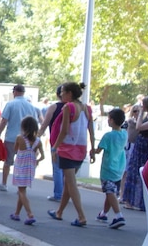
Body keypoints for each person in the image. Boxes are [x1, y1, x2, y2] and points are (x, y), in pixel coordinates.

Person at [48, 82, 94, 227]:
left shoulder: (69, 107)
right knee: (68, 182)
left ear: (69, 93)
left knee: (71, 183)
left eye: (62, 92)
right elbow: (90, 129)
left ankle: (81, 216)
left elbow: (64, 131)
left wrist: (55, 147)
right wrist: (92, 148)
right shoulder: (87, 108)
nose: (61, 94)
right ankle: (59, 212)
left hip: (68, 149)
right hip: (81, 149)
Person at [0, 84, 39, 192]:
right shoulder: (31, 106)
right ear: (23, 93)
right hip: (27, 138)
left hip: (12, 137)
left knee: (8, 161)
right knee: (23, 162)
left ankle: (4, 183)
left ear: (14, 92)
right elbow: (34, 122)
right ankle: (21, 186)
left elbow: (4, 121)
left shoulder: (10, 104)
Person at [92, 108, 127, 229]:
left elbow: (98, 150)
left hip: (108, 169)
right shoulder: (124, 134)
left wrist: (92, 152)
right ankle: (104, 214)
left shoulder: (108, 136)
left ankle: (119, 216)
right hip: (119, 168)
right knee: (110, 192)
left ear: (112, 120)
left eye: (109, 118)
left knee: (110, 192)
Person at [121, 96, 148, 211]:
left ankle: (143, 202)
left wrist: (140, 113)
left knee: (143, 173)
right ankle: (129, 200)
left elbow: (139, 127)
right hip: (140, 144)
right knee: (133, 171)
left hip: (147, 146)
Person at [10, 116, 43, 225]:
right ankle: (16, 213)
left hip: (20, 167)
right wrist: (37, 160)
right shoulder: (38, 141)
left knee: (21, 191)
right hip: (30, 169)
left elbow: (15, 149)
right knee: (22, 190)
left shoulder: (20, 138)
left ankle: (30, 214)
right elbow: (43, 156)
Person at [37, 85, 64, 202]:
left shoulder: (54, 107)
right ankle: (64, 193)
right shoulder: (77, 107)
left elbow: (45, 123)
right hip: (71, 142)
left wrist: (37, 136)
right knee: (67, 169)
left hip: (56, 139)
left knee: (57, 168)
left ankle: (58, 194)